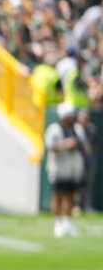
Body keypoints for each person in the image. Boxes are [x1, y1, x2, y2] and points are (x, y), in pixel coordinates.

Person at [44, 102, 90, 238]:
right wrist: (65, 145)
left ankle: (67, 223)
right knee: (58, 196)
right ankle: (58, 224)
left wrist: (80, 144)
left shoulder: (77, 129)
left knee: (70, 195)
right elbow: (50, 147)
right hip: (59, 166)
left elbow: (85, 146)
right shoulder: (54, 129)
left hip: (73, 167)